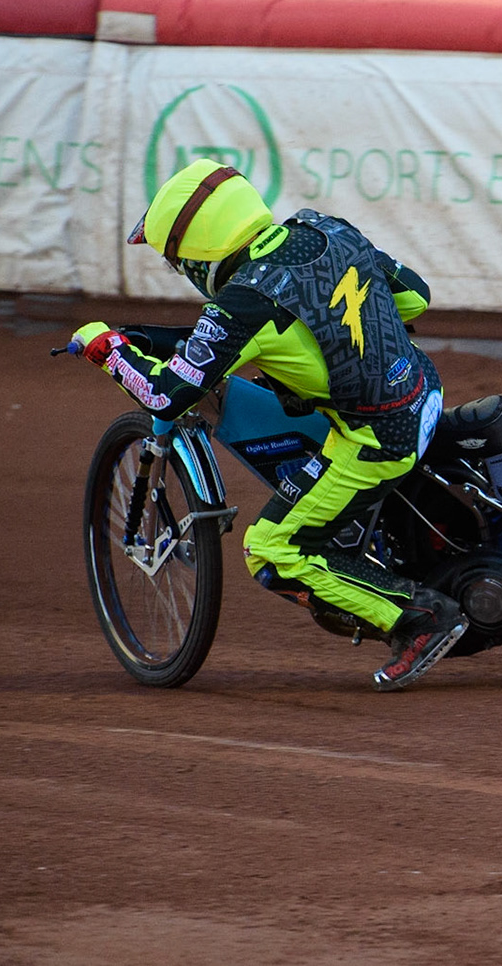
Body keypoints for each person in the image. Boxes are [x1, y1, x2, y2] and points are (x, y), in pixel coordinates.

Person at [68, 157, 468, 689]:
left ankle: (418, 619)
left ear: (197, 255)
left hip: (377, 437)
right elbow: (414, 295)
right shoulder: (323, 228)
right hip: (424, 387)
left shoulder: (244, 303)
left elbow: (166, 397)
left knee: (272, 547)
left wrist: (108, 352)